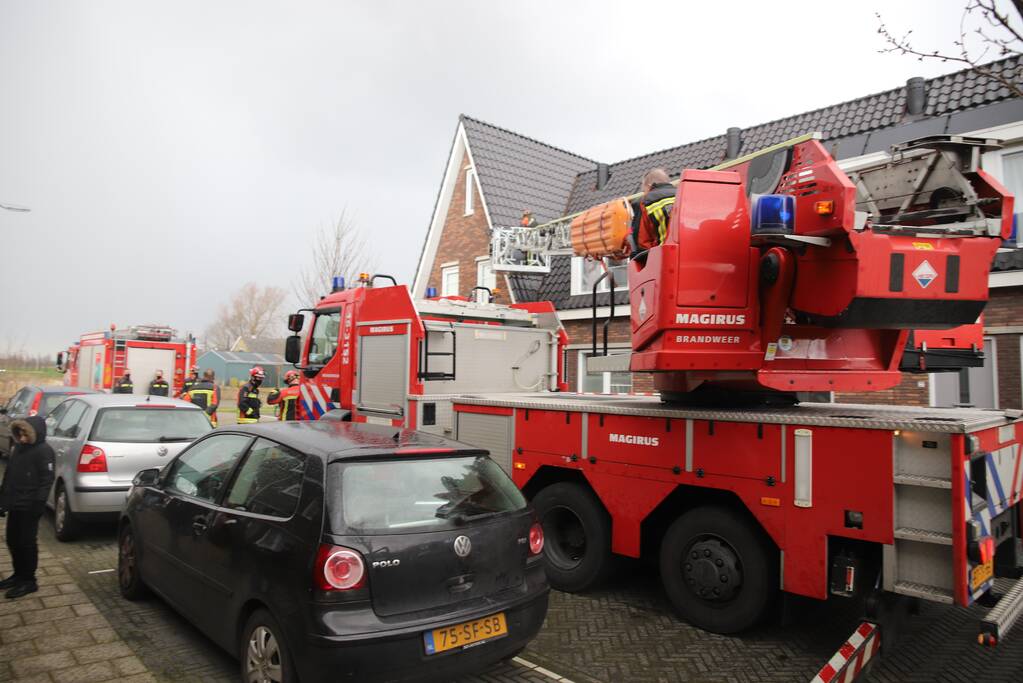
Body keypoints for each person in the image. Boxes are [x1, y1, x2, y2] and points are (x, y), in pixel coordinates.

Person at [0, 416, 55, 599]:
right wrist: (3, 501)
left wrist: (38, 504)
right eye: (20, 434)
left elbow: (46, 481)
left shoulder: (44, 451)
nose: (22, 438)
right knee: (12, 540)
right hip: (16, 504)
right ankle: (18, 575)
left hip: (30, 506)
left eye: (26, 434)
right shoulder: (18, 449)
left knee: (26, 542)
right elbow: (9, 477)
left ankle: (29, 581)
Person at [631, 168, 676, 251]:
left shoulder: (645, 202)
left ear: (648, 186)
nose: (644, 192)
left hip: (664, 255)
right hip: (690, 252)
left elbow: (642, 242)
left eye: (644, 190)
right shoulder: (682, 194)